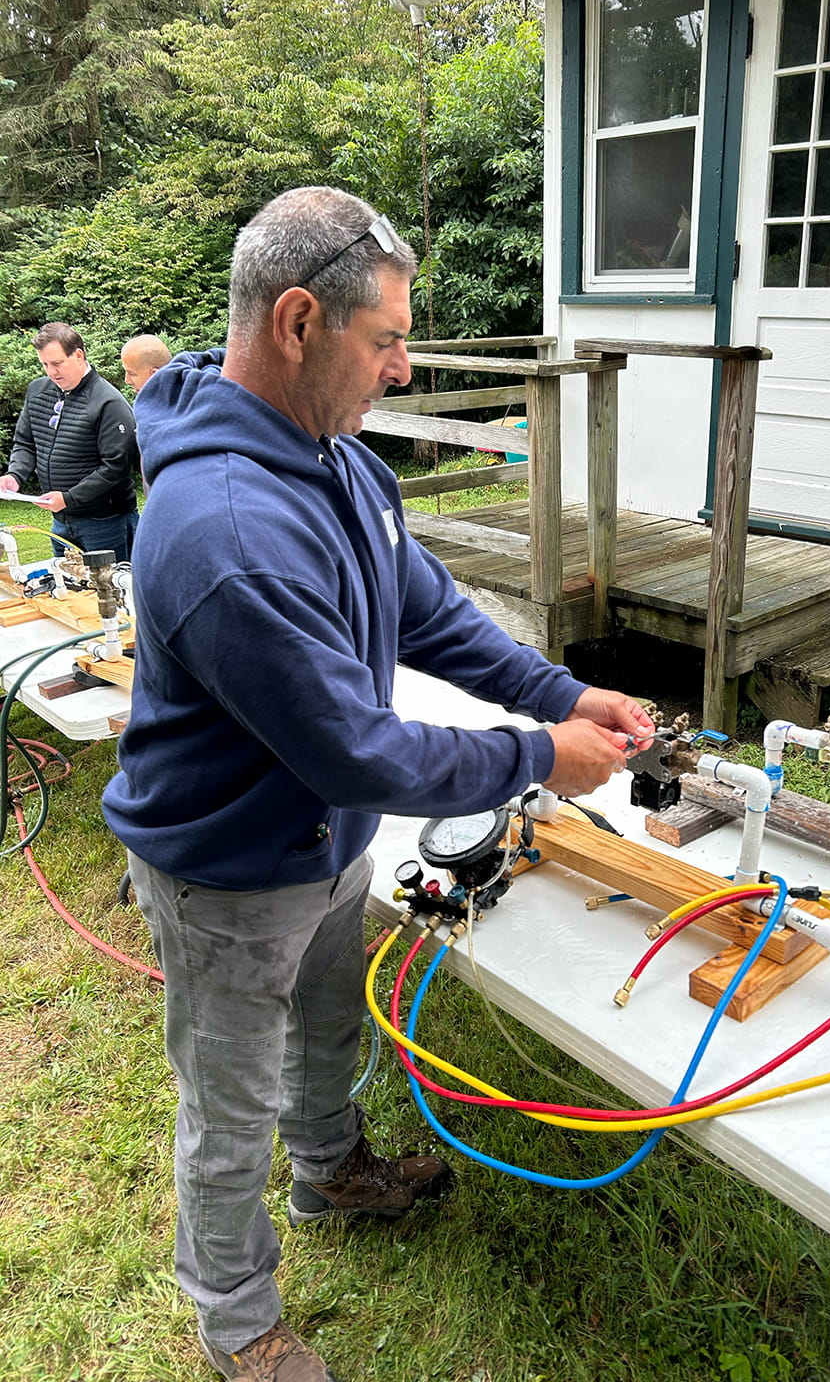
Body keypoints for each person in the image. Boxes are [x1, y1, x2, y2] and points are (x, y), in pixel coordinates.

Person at [102, 187, 654, 1382]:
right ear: (299, 322)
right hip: (227, 870)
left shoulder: (331, 456)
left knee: (328, 1021)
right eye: (389, 338)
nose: (404, 368)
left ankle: (332, 1170)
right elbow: (362, 747)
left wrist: (557, 696)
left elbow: (425, 609)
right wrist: (540, 760)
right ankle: (239, 1319)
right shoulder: (224, 529)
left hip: (323, 843)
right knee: (228, 1105)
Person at [0, 322, 139, 561]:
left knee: (112, 594)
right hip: (60, 523)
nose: (51, 372)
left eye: (57, 363)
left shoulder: (108, 403)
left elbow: (116, 467)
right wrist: (15, 475)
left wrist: (69, 498)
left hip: (106, 523)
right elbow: (25, 443)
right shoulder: (37, 391)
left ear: (78, 355)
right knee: (68, 594)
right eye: (44, 364)